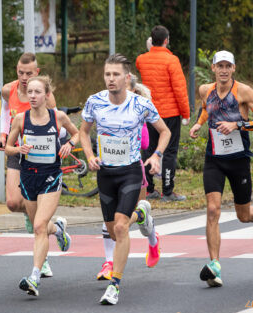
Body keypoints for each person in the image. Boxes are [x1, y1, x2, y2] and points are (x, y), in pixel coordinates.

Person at [80, 54, 171, 305]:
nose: (111, 79)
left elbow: (165, 131)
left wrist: (156, 156)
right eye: (107, 74)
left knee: (121, 227)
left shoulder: (140, 104)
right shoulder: (95, 102)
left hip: (131, 170)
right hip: (106, 173)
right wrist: (89, 155)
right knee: (112, 230)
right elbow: (84, 131)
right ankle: (140, 215)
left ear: (126, 77)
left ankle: (115, 285)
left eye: (116, 74)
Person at [189, 50, 253, 287]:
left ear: (233, 68)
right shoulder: (206, 90)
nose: (224, 70)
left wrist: (238, 125)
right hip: (213, 158)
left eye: (228, 66)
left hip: (238, 160)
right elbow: (206, 108)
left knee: (242, 215)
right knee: (213, 210)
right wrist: (197, 124)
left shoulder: (244, 91)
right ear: (213, 68)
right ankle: (214, 265)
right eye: (219, 66)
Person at [4, 75, 78, 297]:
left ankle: (34, 277)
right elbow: (7, 147)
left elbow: (77, 133)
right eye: (30, 93)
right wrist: (18, 150)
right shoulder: (20, 119)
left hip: (50, 177)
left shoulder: (58, 117)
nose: (33, 96)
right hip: (28, 177)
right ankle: (58, 229)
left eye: (38, 92)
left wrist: (69, 145)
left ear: (47, 95)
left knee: (38, 227)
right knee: (41, 226)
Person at [0, 53, 56, 277]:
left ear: (37, 73)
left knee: (38, 221)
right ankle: (53, 227)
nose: (24, 77)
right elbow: (4, 111)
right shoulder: (7, 89)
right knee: (12, 203)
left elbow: (54, 121)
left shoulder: (44, 95)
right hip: (16, 151)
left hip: (39, 156)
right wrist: (3, 134)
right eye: (20, 72)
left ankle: (44, 259)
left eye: (29, 73)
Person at [96, 75, 160, 282]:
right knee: (111, 223)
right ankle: (109, 262)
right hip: (109, 171)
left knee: (130, 217)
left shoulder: (138, 114)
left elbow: (144, 144)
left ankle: (152, 238)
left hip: (134, 171)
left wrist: (128, 130)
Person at [136, 25, 190, 201]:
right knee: (169, 151)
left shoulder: (141, 60)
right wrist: (186, 114)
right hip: (170, 112)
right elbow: (180, 90)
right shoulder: (172, 61)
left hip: (148, 112)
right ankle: (167, 191)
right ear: (166, 40)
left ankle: (149, 188)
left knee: (149, 149)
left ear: (151, 40)